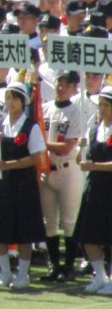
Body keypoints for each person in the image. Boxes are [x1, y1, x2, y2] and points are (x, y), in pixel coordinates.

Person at [0, 82, 47, 290]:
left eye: (14, 98)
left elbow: (36, 158)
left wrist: (10, 164)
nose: (10, 102)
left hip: (24, 183)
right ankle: (5, 272)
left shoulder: (31, 126)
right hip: (2, 183)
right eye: (8, 98)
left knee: (24, 231)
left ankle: (22, 273)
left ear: (22, 102)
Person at [40, 70, 83, 283]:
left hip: (68, 170)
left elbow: (67, 147)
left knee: (69, 221)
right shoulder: (45, 109)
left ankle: (69, 266)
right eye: (60, 82)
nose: (62, 87)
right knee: (49, 222)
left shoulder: (77, 112)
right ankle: (54, 265)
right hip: (47, 171)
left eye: (67, 84)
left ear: (75, 88)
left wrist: (42, 144)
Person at [74, 86, 112, 294]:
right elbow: (80, 160)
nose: (102, 109)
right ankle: (100, 275)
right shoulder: (94, 129)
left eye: (107, 105)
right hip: (94, 187)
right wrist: (81, 149)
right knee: (88, 234)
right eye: (101, 105)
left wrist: (95, 166)